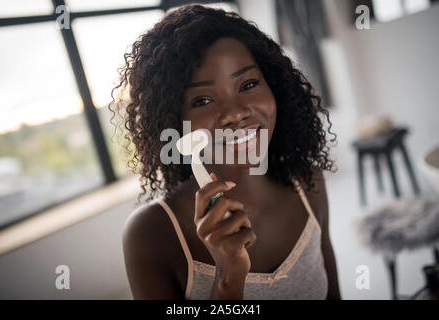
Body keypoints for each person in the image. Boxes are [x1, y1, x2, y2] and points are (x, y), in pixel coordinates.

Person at [111, 4, 341, 300]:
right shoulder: (151, 233)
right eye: (203, 100)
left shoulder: (308, 181)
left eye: (248, 84)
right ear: (174, 121)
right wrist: (227, 280)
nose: (234, 114)